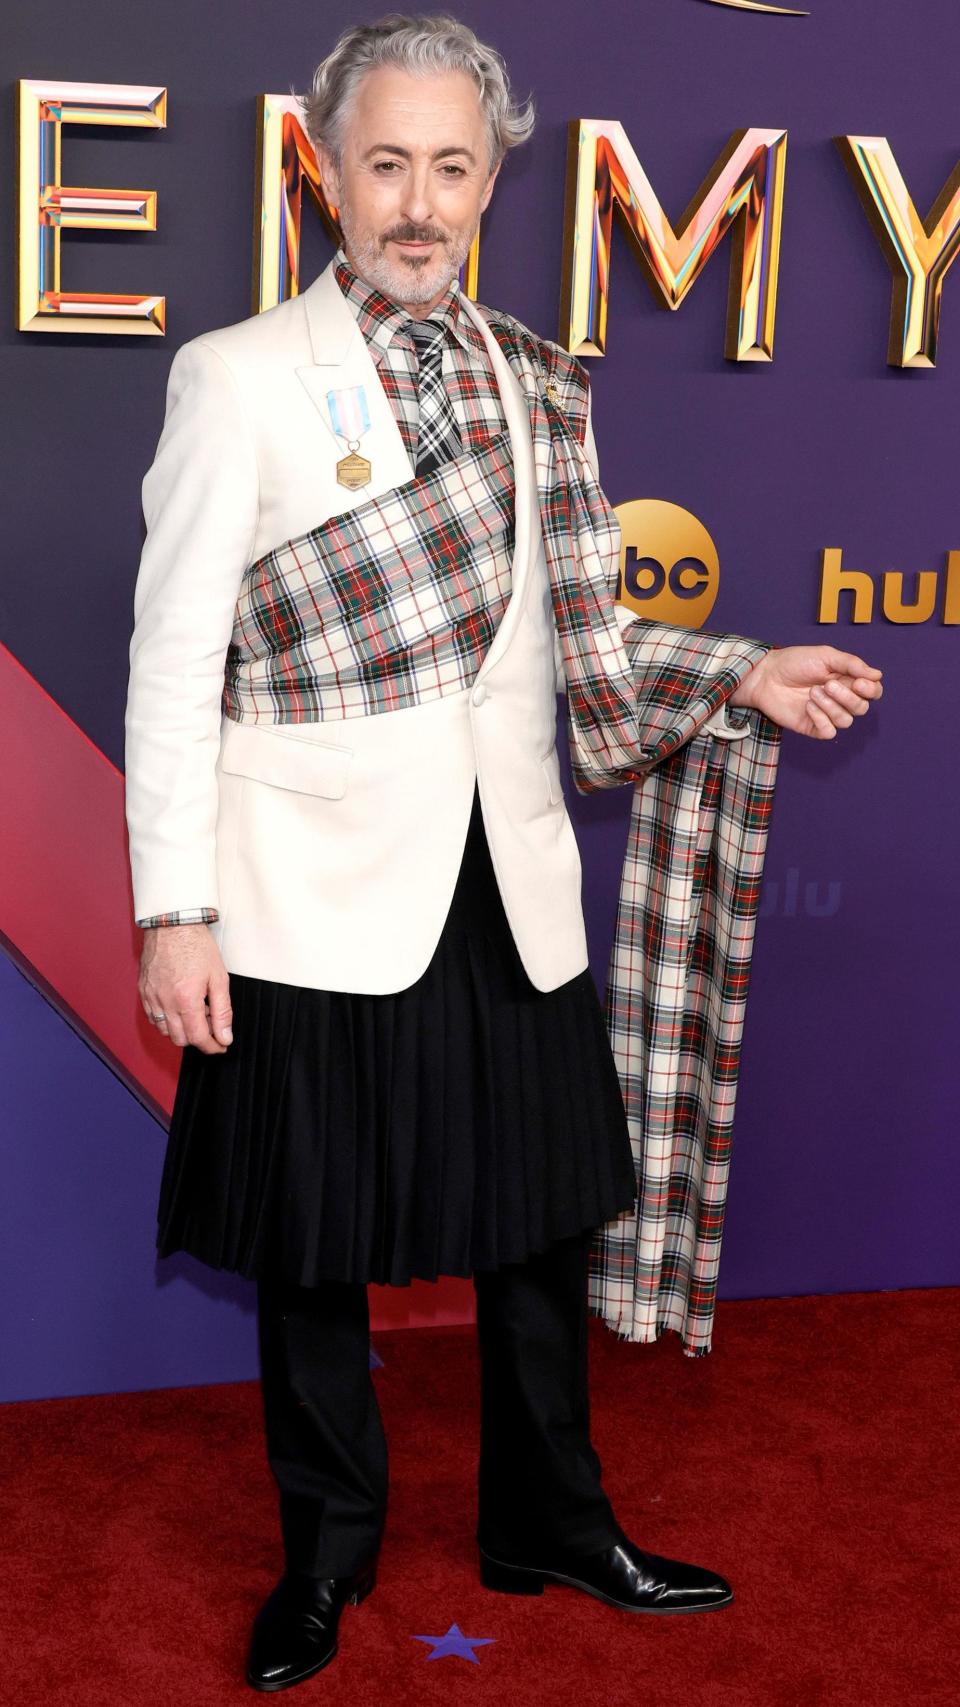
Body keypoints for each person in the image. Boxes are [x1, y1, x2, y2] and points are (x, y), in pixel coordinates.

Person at [123, 13, 883, 1693]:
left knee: (539, 1223)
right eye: (385, 162)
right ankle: (325, 1559)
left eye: (451, 167)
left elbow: (580, 636)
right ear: (326, 169)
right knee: (314, 1238)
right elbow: (173, 661)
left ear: (491, 179)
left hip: (507, 862)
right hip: (306, 883)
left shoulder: (539, 374)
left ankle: (553, 1517)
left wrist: (735, 669)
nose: (418, 200)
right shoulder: (238, 375)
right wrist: (174, 909)